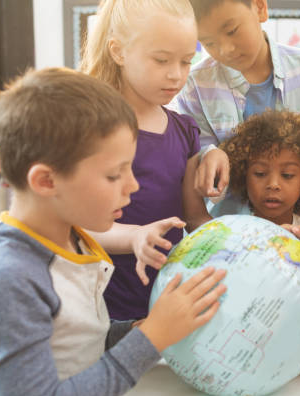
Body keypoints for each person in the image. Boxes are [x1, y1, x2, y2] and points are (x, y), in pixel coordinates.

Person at [0, 67, 227, 396]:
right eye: (114, 175)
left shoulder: (71, 240)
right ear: (46, 182)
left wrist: (142, 328)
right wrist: (151, 338)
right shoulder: (8, 278)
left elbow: (77, 341)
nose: (133, 185)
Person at [81, 0, 229, 320]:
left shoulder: (184, 130)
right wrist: (134, 237)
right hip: (106, 311)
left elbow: (194, 217)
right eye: (161, 60)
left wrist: (238, 240)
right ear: (118, 52)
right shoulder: (89, 127)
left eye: (187, 61)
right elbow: (77, 228)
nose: (176, 75)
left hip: (168, 305)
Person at [183, 110, 300, 366]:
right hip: (242, 358)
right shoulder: (230, 233)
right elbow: (195, 219)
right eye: (260, 173)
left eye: (287, 175)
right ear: (243, 176)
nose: (273, 184)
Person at [176, 0, 300, 217]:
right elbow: (196, 161)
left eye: (232, 31)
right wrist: (210, 155)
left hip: (297, 228)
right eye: (209, 43)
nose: (226, 49)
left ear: (260, 7)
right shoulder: (194, 86)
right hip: (230, 230)